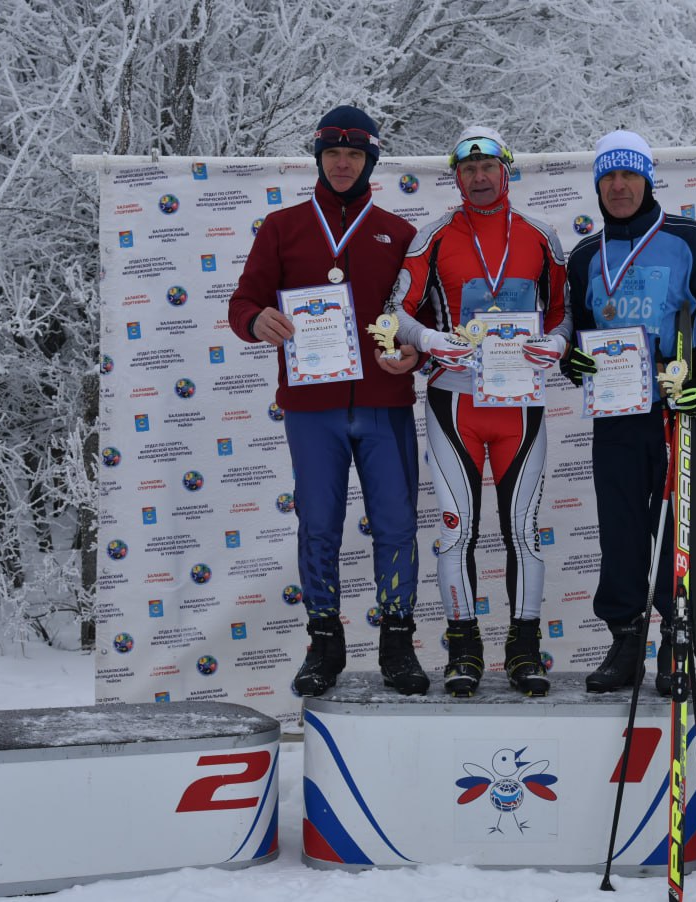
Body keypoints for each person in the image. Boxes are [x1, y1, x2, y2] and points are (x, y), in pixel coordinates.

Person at [228, 105, 428, 697]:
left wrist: (415, 355)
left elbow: (423, 318)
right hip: (311, 410)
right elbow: (243, 301)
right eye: (333, 154)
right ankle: (324, 643)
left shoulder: (399, 232)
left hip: (384, 403)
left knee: (395, 524)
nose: (343, 164)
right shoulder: (282, 227)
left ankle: (397, 641)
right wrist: (255, 319)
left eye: (355, 154)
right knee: (319, 525)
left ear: (370, 161)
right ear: (319, 157)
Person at [384, 126, 569, 697]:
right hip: (455, 399)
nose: (480, 178)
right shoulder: (434, 236)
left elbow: (566, 312)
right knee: (456, 529)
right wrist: (434, 341)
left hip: (519, 404)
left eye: (489, 167)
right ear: (456, 176)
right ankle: (463, 646)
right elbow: (396, 309)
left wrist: (559, 345)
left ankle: (524, 647)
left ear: (506, 171)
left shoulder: (542, 235)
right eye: (468, 170)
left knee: (523, 532)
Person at [560, 130, 696, 694]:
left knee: (683, 526)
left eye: (629, 175)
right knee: (620, 528)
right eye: (608, 177)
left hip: (677, 407)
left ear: (647, 180)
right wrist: (575, 362)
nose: (618, 186)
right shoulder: (587, 254)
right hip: (616, 413)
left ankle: (676, 638)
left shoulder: (687, 238)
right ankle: (627, 637)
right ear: (597, 185)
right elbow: (575, 332)